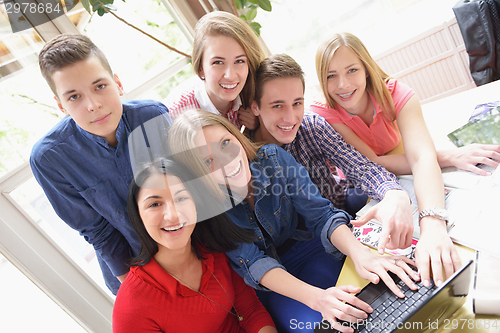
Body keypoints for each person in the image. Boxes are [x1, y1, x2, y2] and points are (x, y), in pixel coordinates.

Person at [169, 109, 419, 333]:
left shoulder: (272, 159)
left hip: (313, 250)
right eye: (206, 161)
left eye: (226, 143)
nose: (227, 160)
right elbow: (254, 264)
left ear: (236, 136)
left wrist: (361, 253)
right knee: (317, 327)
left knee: (377, 293)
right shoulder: (207, 212)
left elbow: (321, 215)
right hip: (275, 282)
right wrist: (317, 299)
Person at [311, 32, 497, 289]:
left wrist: (433, 224)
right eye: (331, 75)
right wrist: (445, 156)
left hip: (404, 171)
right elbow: (373, 163)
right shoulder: (324, 114)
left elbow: (420, 155)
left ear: (366, 68)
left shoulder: (396, 93)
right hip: (365, 187)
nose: (342, 84)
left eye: (352, 70)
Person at [30, 33, 172, 294]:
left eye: (100, 86)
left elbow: (188, 191)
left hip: (194, 248)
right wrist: (143, 292)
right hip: (133, 271)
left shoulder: (153, 116)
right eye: (74, 97)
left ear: (117, 83)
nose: (93, 105)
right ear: (61, 105)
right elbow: (99, 233)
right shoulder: (49, 159)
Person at [250, 53, 414, 253]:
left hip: (342, 209)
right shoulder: (248, 157)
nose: (291, 117)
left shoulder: (312, 126)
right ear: (255, 107)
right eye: (277, 106)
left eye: (297, 103)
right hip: (301, 244)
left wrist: (393, 193)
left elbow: (361, 167)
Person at [112, 157, 276, 333]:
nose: (172, 215)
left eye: (181, 198)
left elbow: (250, 311)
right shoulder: (132, 307)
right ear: (139, 217)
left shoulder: (215, 247)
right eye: (155, 204)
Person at [165, 11, 264, 130]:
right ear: (201, 68)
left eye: (239, 61)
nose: (230, 76)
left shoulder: (251, 93)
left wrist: (258, 125)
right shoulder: (176, 116)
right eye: (218, 62)